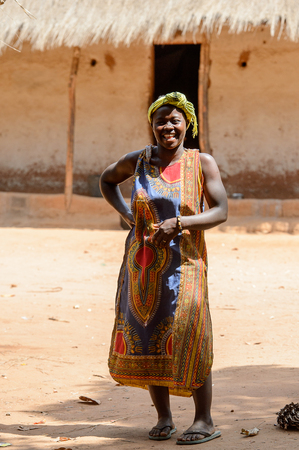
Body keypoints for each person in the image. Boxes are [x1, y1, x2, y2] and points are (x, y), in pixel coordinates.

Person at [100, 92, 228, 445]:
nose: (167, 126)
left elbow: (220, 212)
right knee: (147, 333)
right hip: (143, 266)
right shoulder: (137, 160)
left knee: (190, 333)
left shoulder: (201, 162)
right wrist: (127, 214)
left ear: (188, 124)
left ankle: (204, 420)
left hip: (186, 263)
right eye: (161, 120)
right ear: (151, 125)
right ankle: (164, 417)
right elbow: (107, 180)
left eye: (175, 120)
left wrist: (182, 222)